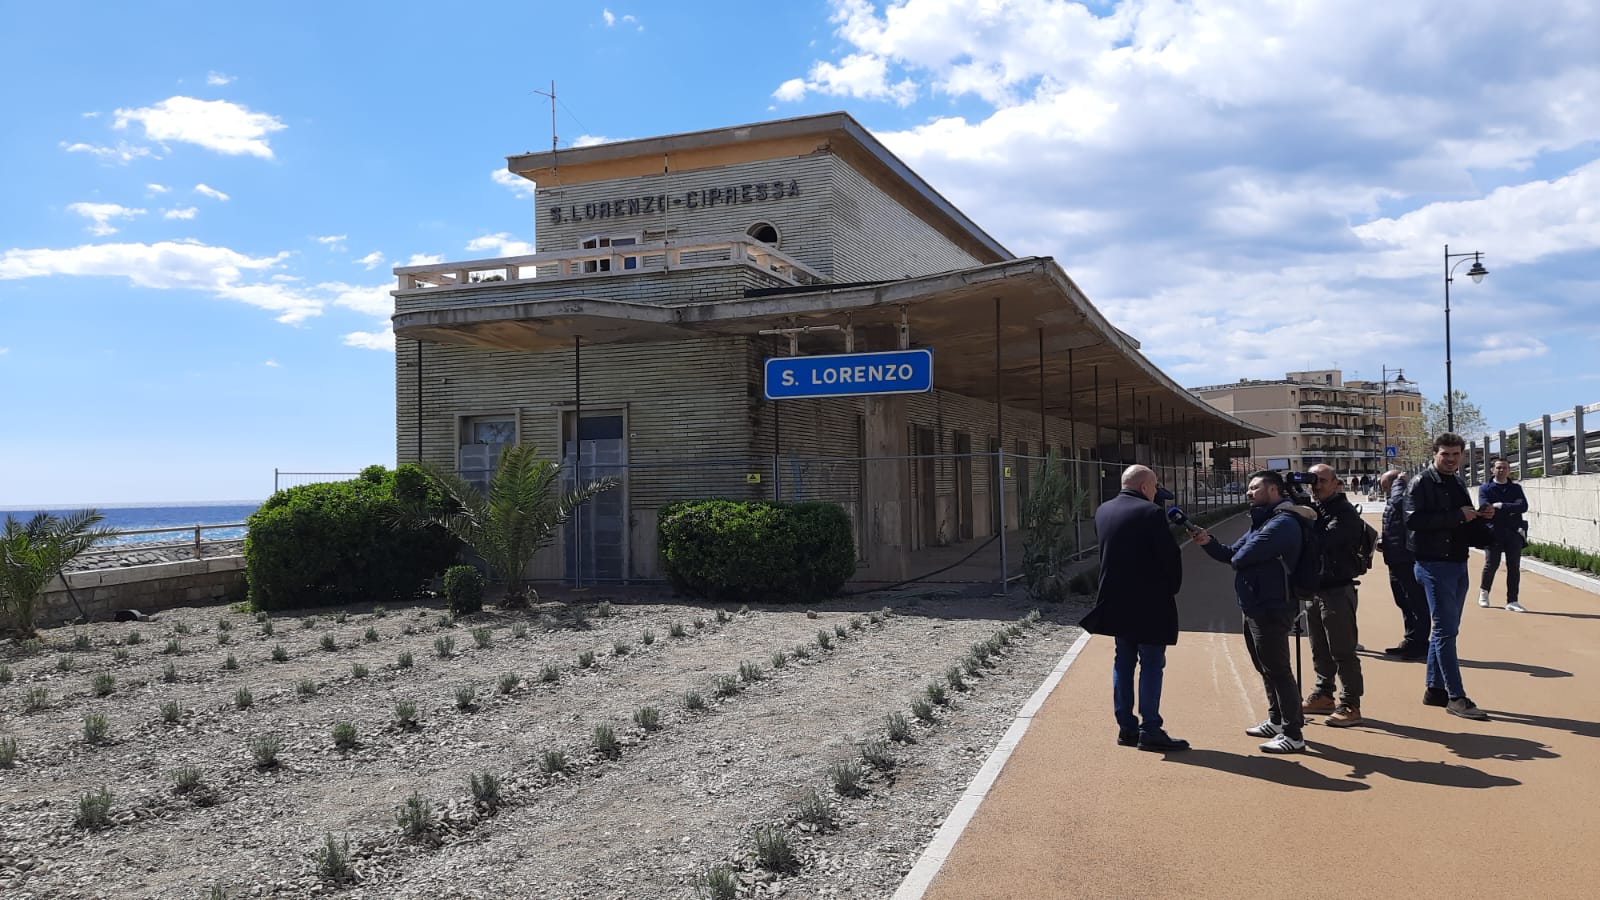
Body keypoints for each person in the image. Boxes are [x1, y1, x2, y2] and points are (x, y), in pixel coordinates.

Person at [1193, 470, 1314, 753]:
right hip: (1254, 604)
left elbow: (1240, 557)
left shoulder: (1283, 523)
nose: (1248, 492)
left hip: (1273, 606)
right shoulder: (1264, 521)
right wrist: (1207, 542)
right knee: (1265, 667)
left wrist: (1238, 554)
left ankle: (1294, 733)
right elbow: (1230, 552)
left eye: (1254, 487)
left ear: (1273, 490)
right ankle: (1277, 720)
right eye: (1249, 488)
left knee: (1278, 669)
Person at [1080, 465, 1188, 752]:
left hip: (1115, 601)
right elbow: (1169, 556)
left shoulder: (1103, 510)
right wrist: (1172, 588)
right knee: (1152, 664)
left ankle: (1126, 727)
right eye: (1154, 487)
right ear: (1144, 487)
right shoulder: (1151, 513)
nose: (1156, 493)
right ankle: (1150, 728)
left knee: (1123, 663)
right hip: (1150, 602)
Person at [1405, 433, 1492, 720]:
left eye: (1456, 454)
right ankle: (1456, 696)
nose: (1451, 459)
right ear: (1435, 454)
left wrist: (1481, 517)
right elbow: (1413, 520)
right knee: (1445, 631)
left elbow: (1462, 520)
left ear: (1462, 456)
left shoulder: (1456, 481)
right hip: (1433, 565)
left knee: (1447, 630)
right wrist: (1458, 516)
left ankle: (1435, 689)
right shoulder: (1421, 482)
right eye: (1446, 454)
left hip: (1456, 562)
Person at [1300, 464, 1365, 727]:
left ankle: (1351, 703)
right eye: (1313, 480)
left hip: (1338, 589)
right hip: (1316, 588)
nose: (1317, 485)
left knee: (1343, 650)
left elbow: (1323, 540)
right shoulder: (1317, 508)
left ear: (1336, 483)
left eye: (1322, 480)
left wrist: (1302, 515)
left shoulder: (1344, 512)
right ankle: (1324, 694)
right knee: (1319, 648)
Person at [1378, 468, 1429, 660]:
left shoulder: (1405, 494)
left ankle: (1421, 644)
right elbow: (1396, 523)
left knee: (1416, 603)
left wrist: (1400, 482)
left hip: (1407, 558)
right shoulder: (1396, 497)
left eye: (1385, 487)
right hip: (1395, 558)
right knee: (1403, 601)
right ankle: (1411, 639)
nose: (1385, 492)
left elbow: (1399, 504)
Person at [1479, 456, 1530, 612]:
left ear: (1509, 470)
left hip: (1514, 533)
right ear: (1493, 470)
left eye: (1505, 468)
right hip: (1493, 532)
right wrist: (1509, 509)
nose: (1501, 470)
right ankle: (1484, 592)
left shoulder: (1516, 488)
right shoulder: (1485, 488)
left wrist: (1501, 506)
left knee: (1514, 567)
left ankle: (1512, 600)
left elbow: (1522, 506)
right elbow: (1485, 508)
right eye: (1499, 467)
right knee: (1491, 564)